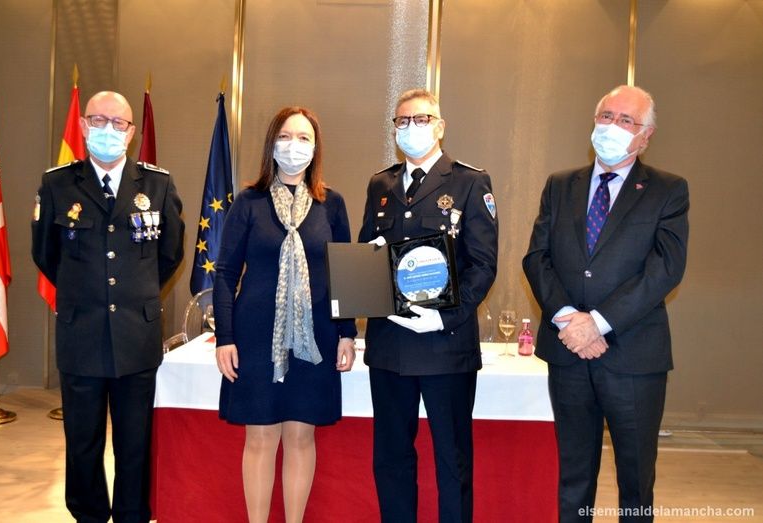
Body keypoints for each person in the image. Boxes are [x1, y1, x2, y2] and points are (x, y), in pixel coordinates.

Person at [522, 85, 689, 522]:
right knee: (574, 479)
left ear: (646, 136)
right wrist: (567, 320)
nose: (613, 126)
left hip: (634, 357)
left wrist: (597, 323)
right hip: (568, 355)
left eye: (626, 120)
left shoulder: (668, 190)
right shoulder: (561, 185)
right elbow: (537, 258)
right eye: (607, 116)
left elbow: (665, 269)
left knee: (635, 481)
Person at [31, 90, 185, 522]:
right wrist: (87, 293)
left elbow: (169, 254)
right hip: (81, 333)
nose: (108, 130)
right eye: (99, 120)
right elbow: (45, 254)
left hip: (137, 336)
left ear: (131, 133)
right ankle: (89, 515)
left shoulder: (157, 184)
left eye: (119, 123)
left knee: (135, 442)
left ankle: (132, 515)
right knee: (83, 442)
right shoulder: (57, 184)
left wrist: (134, 295)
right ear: (83, 125)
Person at [358, 89, 498, 522]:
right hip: (389, 346)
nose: (411, 128)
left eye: (421, 119)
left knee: (452, 461)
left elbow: (483, 265)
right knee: (391, 459)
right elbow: (366, 256)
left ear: (440, 127)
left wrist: (444, 317)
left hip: (446, 346)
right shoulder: (380, 184)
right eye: (402, 121)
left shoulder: (470, 182)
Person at [213, 106, 357, 523]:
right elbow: (225, 274)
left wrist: (347, 333)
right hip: (256, 339)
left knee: (300, 436)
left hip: (315, 339)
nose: (294, 146)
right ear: (271, 144)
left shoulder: (332, 204)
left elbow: (345, 273)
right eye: (285, 137)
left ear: (316, 148)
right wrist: (225, 338)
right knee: (260, 438)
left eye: (304, 138)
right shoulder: (249, 202)